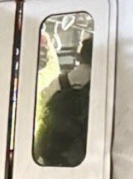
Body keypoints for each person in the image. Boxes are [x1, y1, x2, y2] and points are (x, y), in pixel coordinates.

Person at [34, 37, 92, 166]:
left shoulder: (60, 82)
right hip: (83, 152)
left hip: (56, 149)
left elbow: (42, 109)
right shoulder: (103, 85)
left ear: (80, 57)